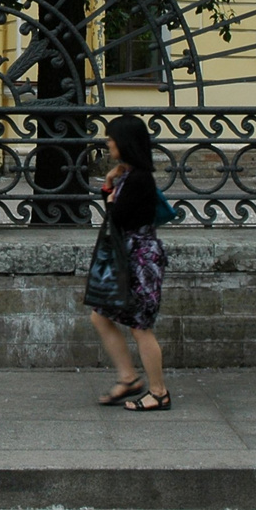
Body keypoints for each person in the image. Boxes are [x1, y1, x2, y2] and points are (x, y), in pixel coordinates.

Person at [89, 114, 171, 412]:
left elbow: (118, 217)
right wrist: (111, 183)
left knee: (140, 326)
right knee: (100, 316)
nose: (108, 143)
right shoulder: (131, 174)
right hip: (130, 256)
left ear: (124, 143)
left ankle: (159, 392)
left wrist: (110, 194)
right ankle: (128, 378)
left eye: (111, 139)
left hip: (140, 259)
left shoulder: (138, 179)